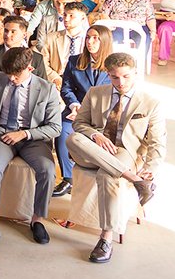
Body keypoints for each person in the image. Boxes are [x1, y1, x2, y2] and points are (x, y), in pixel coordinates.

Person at [66, 52, 164, 263]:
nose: (121, 82)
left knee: (108, 176)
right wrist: (96, 135)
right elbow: (79, 124)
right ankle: (135, 180)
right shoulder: (95, 93)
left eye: (126, 76)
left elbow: (157, 141)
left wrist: (151, 168)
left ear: (135, 73)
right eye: (115, 77)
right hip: (92, 149)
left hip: (123, 152)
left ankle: (105, 239)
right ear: (108, 75)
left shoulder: (150, 103)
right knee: (73, 138)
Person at [0, 46, 62, 249]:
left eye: (16, 75)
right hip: (1, 133)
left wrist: (24, 134)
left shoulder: (46, 89)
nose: (11, 79)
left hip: (32, 138)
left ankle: (37, 219)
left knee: (47, 169)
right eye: (9, 75)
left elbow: (55, 127)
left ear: (30, 69)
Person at [55, 25, 113, 198]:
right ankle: (68, 178)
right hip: (76, 110)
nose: (90, 41)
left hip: (104, 115)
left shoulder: (113, 65)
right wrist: (74, 105)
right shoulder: (75, 61)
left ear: (105, 41)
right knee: (61, 131)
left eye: (95, 38)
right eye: (88, 37)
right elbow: (66, 88)